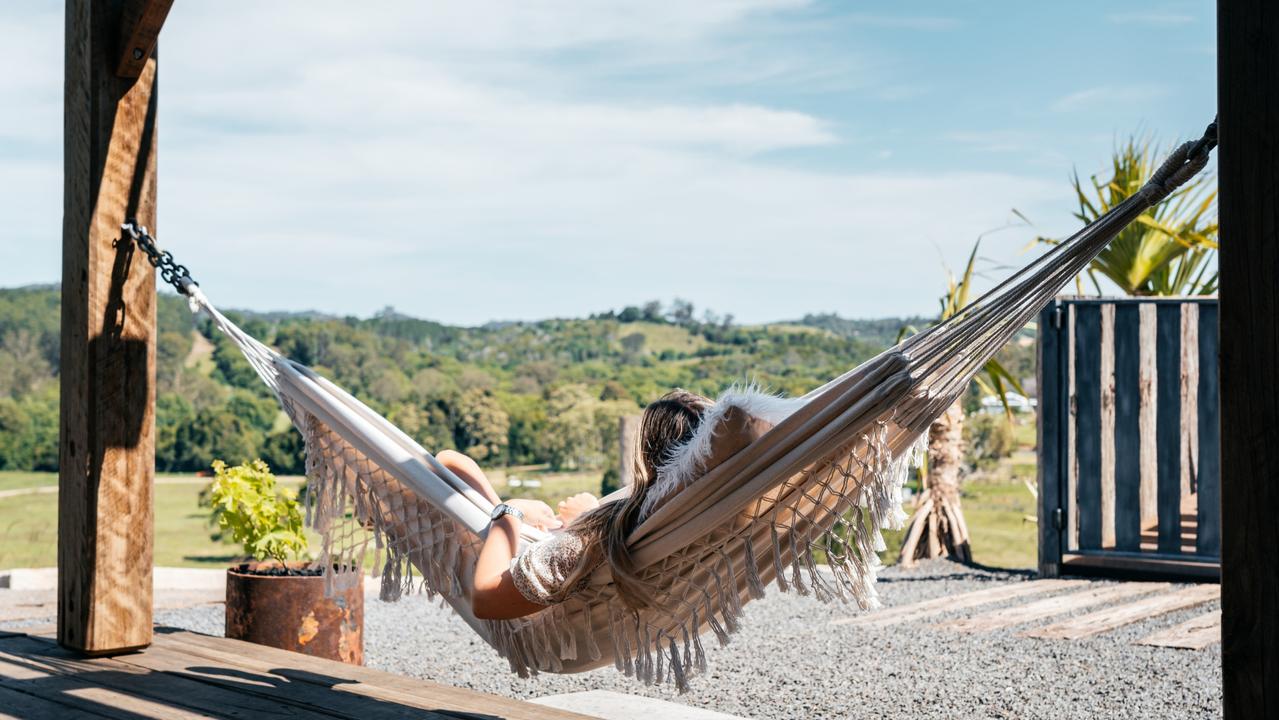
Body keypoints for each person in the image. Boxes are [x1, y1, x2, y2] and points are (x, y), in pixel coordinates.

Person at [440, 389, 713, 620]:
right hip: (559, 536)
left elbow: (487, 601)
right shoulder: (692, 514)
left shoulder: (593, 537)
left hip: (522, 558)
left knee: (448, 463)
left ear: (646, 456)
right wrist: (583, 515)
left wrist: (511, 511)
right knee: (451, 462)